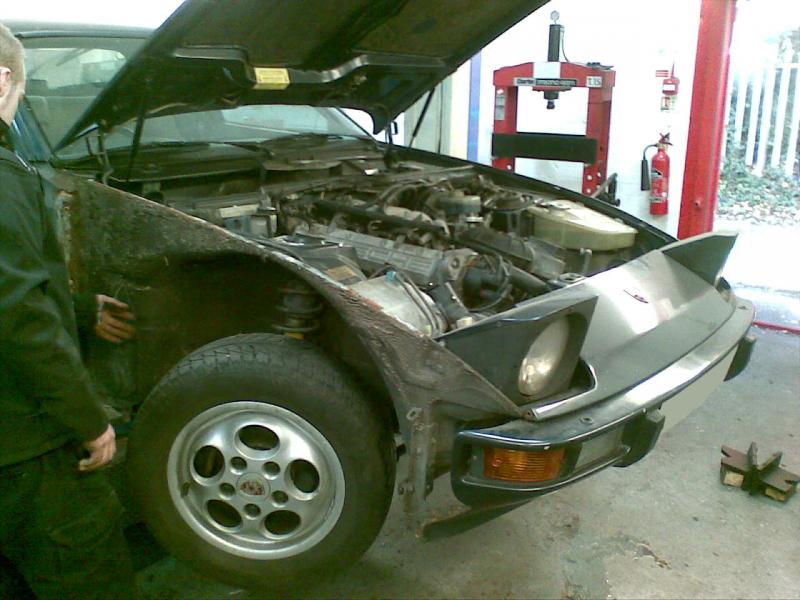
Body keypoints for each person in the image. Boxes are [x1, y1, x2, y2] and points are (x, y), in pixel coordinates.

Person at [0, 21, 137, 599]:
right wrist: (87, 420)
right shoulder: (5, 182)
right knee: (86, 575)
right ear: (2, 80)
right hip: (23, 446)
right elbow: (17, 318)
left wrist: (75, 308)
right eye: (22, 97)